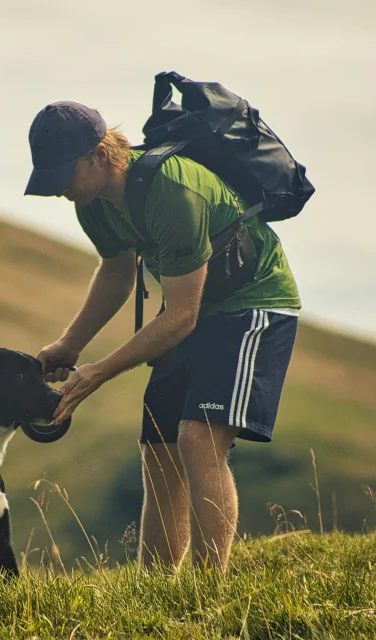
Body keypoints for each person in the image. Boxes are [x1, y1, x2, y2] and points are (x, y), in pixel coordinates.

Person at [25, 101, 300, 572]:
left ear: (98, 155)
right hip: (191, 309)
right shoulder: (92, 204)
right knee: (158, 449)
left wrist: (100, 372)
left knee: (197, 438)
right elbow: (116, 274)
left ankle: (206, 592)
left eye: (64, 175)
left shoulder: (172, 190)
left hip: (251, 305)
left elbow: (180, 318)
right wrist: (70, 345)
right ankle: (155, 589)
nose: (60, 191)